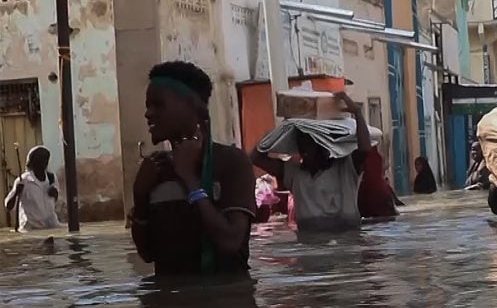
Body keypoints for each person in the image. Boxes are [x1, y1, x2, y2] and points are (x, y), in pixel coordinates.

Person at [130, 61, 256, 276]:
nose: (148, 114)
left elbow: (230, 241)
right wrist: (139, 196)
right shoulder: (157, 170)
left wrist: (189, 179)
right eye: (148, 106)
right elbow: (147, 254)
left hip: (226, 302)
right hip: (170, 304)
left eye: (158, 105)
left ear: (194, 109)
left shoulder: (231, 162)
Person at [253, 91, 388, 231]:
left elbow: (365, 149)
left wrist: (357, 113)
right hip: (310, 242)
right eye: (301, 144)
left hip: (346, 240)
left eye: (309, 144)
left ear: (323, 146)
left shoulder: (345, 168)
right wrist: (280, 130)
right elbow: (256, 158)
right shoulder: (294, 173)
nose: (304, 150)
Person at [5, 146, 60, 231]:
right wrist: (16, 193)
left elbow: (55, 200)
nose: (43, 163)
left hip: (51, 226)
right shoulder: (24, 180)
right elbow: (8, 206)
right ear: (32, 162)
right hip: (31, 228)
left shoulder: (51, 178)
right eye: (39, 160)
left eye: (45, 159)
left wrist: (55, 193)